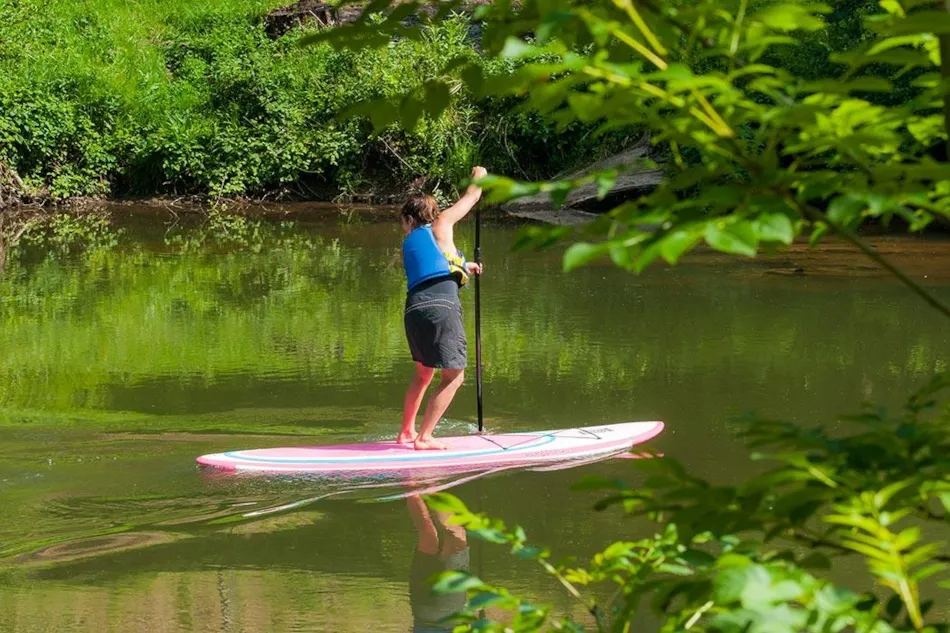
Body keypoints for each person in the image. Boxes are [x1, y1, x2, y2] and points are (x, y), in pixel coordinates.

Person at [398, 166, 486, 450]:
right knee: (455, 376)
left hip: (414, 309)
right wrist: (480, 177)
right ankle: (424, 438)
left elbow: (439, 264)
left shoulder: (413, 240)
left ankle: (407, 432)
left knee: (423, 374)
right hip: (441, 306)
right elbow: (471, 197)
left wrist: (465, 265)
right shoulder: (442, 223)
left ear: (408, 219)